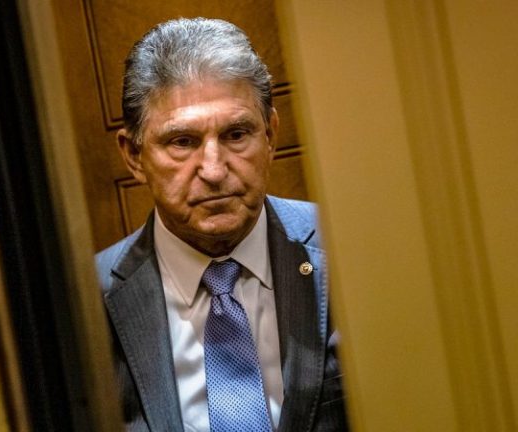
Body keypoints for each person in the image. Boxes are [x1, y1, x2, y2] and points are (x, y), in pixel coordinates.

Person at [95, 17, 346, 431]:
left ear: (271, 135)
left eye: (236, 134)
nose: (213, 170)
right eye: (182, 142)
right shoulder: (89, 301)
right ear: (134, 156)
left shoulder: (348, 250)